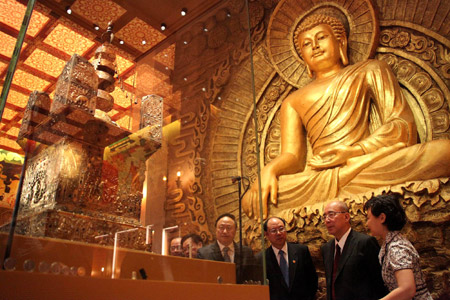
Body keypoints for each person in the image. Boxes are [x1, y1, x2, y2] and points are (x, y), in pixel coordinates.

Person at [242, 13, 450, 219]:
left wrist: (352, 152)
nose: (314, 45)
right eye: (306, 43)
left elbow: (402, 125)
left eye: (321, 37)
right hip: (319, 176)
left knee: (444, 151)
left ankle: (346, 181)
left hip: (366, 162)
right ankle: (342, 184)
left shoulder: (370, 70)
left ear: (341, 42)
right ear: (302, 56)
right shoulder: (293, 100)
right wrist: (269, 171)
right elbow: (294, 158)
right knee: (253, 199)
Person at [365, 194, 432, 299]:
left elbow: (407, 289)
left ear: (382, 218)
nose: (366, 224)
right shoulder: (390, 243)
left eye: (368, 218)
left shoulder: (397, 247)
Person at [321, 200, 387, 300]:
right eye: (324, 216)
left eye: (331, 214)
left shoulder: (365, 243)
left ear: (346, 217)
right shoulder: (326, 248)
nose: (327, 220)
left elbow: (379, 283)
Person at [257, 217, 317, 300]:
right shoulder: (260, 259)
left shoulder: (301, 251)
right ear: (266, 234)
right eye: (274, 231)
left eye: (281, 229)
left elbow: (312, 280)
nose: (278, 233)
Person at [197, 213, 255, 283]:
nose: (225, 231)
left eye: (229, 228)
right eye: (221, 228)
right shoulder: (204, 253)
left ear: (235, 230)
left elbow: (253, 279)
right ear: (215, 230)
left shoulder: (246, 252)